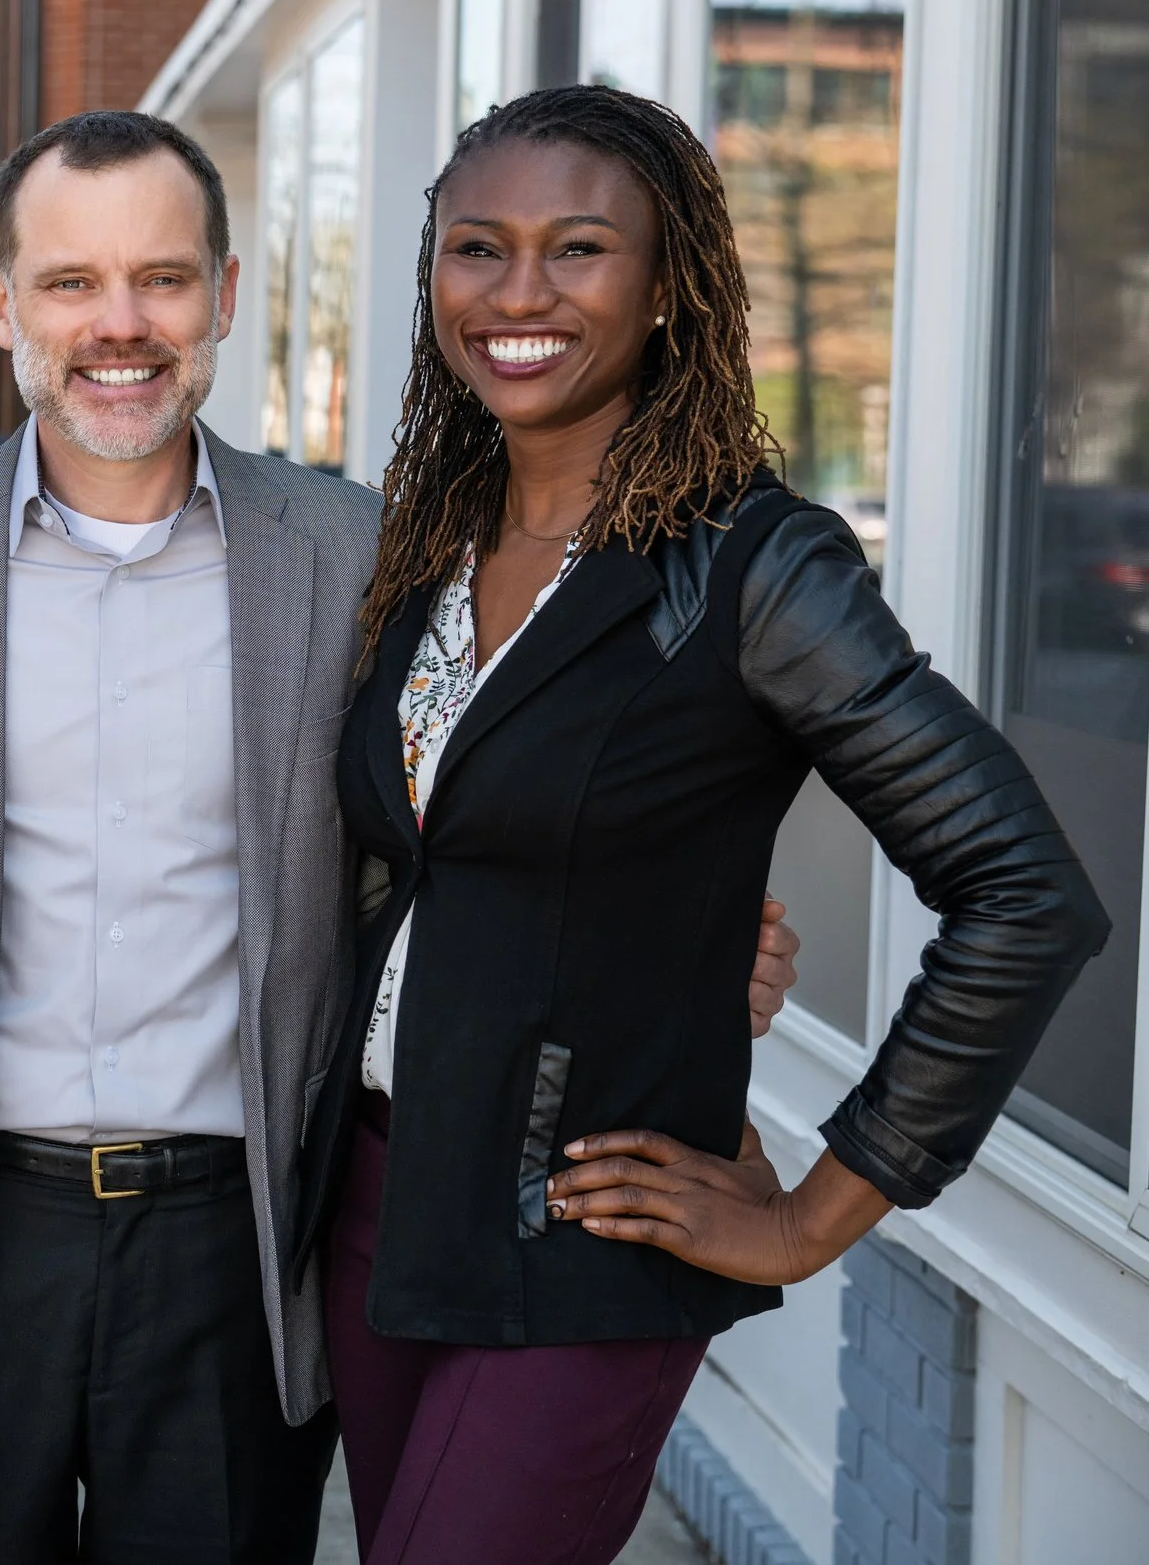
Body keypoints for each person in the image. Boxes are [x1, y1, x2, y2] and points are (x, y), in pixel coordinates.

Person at [0, 110, 803, 1563]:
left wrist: (688, 942)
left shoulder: (363, 554)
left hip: (242, 1233)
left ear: (221, 290)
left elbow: (475, 832)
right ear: (2, 301)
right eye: (72, 282)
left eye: (160, 278)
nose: (120, 325)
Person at [306, 84, 1108, 1565]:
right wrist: (659, 944)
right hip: (373, 1201)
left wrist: (812, 1213)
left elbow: (1023, 889)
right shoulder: (428, 539)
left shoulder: (753, 567)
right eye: (478, 247)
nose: (520, 292)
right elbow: (436, 856)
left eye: (580, 248)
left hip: (581, 1235)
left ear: (669, 283)